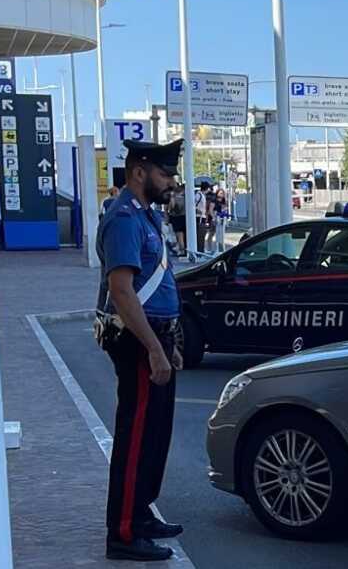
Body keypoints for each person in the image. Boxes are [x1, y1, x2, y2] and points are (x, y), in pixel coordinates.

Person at [94, 139, 185, 562]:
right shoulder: (124, 218)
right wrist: (153, 348)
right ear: (139, 171)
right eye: (164, 175)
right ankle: (124, 533)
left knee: (154, 436)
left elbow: (159, 283)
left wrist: (171, 342)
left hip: (157, 337)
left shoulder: (147, 215)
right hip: (137, 341)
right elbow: (122, 290)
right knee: (135, 439)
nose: (171, 182)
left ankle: (141, 513)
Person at [167, 185, 187, 257]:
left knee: (179, 236)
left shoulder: (174, 197)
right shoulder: (186, 197)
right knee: (184, 236)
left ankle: (182, 251)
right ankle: (184, 250)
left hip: (176, 218)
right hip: (185, 217)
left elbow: (171, 207)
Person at [194, 184, 208, 254]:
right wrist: (197, 210)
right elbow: (193, 204)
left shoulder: (202, 195)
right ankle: (199, 250)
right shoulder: (198, 195)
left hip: (202, 216)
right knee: (200, 234)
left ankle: (201, 249)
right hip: (199, 217)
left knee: (202, 234)